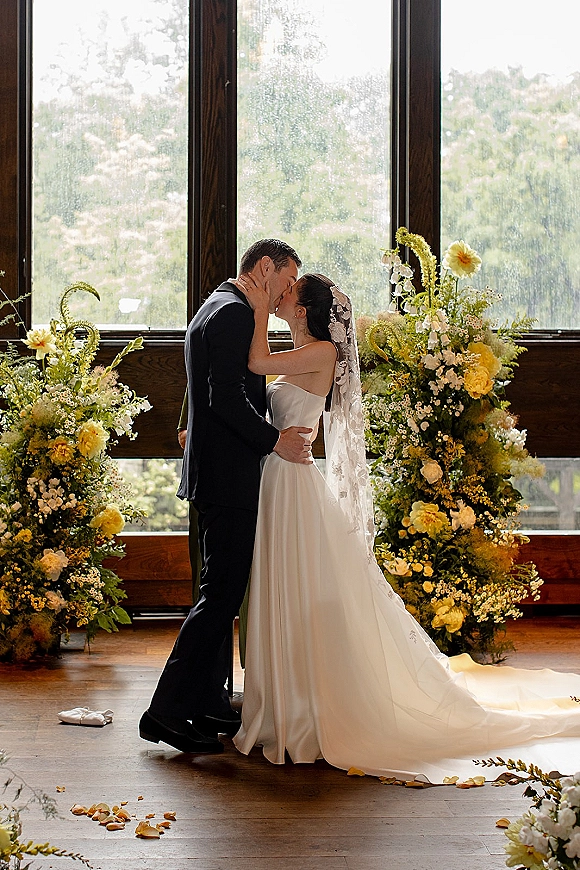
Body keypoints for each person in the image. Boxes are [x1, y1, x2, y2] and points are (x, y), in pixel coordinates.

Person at [232, 272, 580, 782]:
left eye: (286, 294)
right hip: (279, 477)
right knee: (288, 589)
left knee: (301, 587)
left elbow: (256, 363)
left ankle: (304, 709)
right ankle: (285, 699)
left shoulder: (324, 353)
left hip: (293, 482)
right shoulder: (302, 351)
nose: (280, 298)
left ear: (303, 311)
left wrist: (257, 305)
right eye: (278, 293)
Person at [139, 239, 313, 755]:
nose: (287, 294)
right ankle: (165, 713)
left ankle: (207, 703)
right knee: (219, 597)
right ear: (265, 268)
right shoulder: (235, 314)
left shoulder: (216, 305)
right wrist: (272, 439)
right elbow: (225, 399)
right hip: (229, 477)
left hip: (215, 474)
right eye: (285, 281)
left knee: (220, 594)